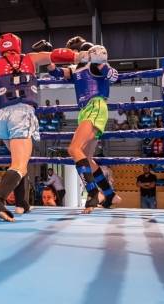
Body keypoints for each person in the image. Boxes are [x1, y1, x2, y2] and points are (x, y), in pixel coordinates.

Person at [0, 33, 85, 221]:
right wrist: (80, 56)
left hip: (2, 116)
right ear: (18, 45)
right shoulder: (30, 58)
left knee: (18, 161)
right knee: (19, 165)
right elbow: (57, 55)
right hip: (21, 113)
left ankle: (21, 203)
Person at [48, 36, 121, 213]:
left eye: (72, 53)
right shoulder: (75, 69)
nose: (71, 57)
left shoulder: (93, 63)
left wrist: (101, 61)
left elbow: (114, 76)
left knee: (74, 149)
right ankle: (110, 195)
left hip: (95, 106)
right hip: (86, 110)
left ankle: (93, 193)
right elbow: (56, 72)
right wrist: (47, 57)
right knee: (86, 158)